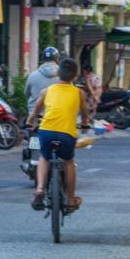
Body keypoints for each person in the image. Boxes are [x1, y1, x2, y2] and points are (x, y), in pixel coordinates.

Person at [26, 57, 91, 210]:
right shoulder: (79, 92)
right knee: (69, 162)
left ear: (58, 74)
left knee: (44, 157)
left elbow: (35, 112)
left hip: (46, 131)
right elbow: (85, 113)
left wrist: (29, 122)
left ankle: (40, 189)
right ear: (75, 76)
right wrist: (86, 124)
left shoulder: (46, 91)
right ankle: (70, 199)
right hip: (67, 134)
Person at [25, 47, 60, 114]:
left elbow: (27, 94)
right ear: (57, 59)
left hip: (34, 117)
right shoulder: (63, 77)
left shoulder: (32, 76)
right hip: (55, 117)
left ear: (43, 59)